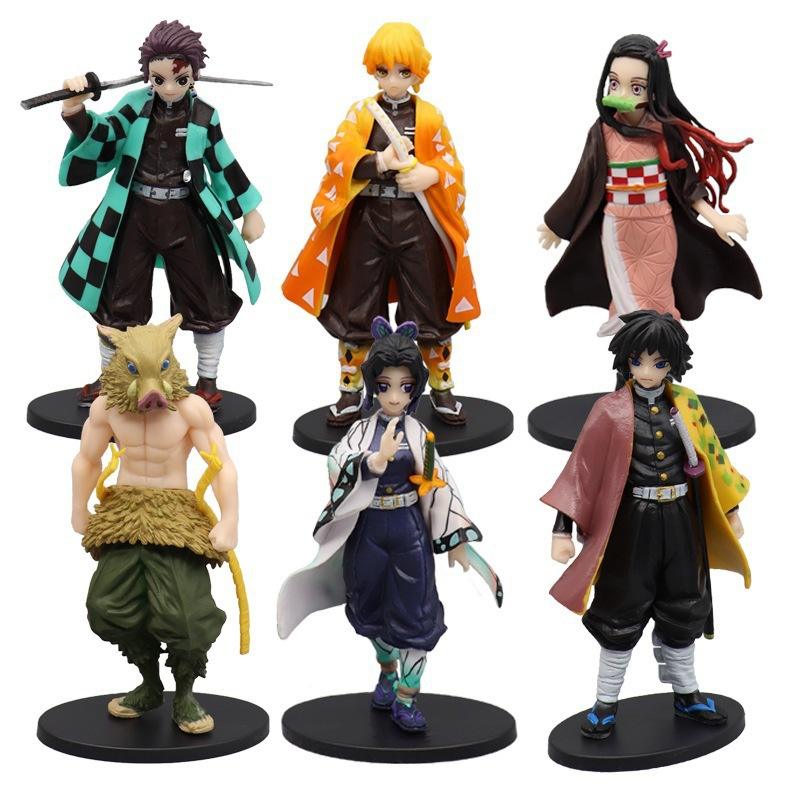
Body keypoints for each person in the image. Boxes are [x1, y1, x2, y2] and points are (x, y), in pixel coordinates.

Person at [277, 317, 499, 733]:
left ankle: (407, 696)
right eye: (384, 385)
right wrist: (373, 461)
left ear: (416, 388)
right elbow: (336, 464)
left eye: (405, 386)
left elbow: (438, 481)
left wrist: (455, 537)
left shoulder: (420, 434)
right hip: (368, 530)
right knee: (369, 607)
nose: (394, 396)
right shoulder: (359, 432)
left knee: (416, 615)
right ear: (372, 386)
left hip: (409, 531)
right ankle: (386, 671)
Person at [542, 311, 750, 738]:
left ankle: (687, 694)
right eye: (638, 361)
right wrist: (562, 529)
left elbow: (713, 456)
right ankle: (605, 702)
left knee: (684, 606)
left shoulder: (687, 404)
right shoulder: (609, 410)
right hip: (631, 526)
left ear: (674, 363)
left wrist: (730, 508)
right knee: (619, 611)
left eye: (659, 362)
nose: (648, 371)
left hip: (680, 522)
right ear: (625, 361)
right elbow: (581, 471)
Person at [59, 20, 264, 408]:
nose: (169, 88)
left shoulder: (204, 115)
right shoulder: (134, 107)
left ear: (194, 75)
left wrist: (249, 210)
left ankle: (207, 380)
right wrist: (76, 109)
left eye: (180, 79)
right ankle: (111, 376)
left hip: (187, 215)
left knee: (207, 297)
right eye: (159, 79)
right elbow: (105, 136)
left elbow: (223, 164)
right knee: (117, 298)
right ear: (147, 75)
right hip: (133, 214)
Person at [282, 22, 478, 426]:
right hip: (367, 221)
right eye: (383, 71)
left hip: (416, 222)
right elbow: (338, 155)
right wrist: (378, 161)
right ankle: (350, 391)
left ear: (417, 73)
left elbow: (451, 165)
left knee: (430, 305)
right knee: (355, 306)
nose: (392, 80)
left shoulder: (430, 117)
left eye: (403, 72)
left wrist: (430, 175)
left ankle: (441, 387)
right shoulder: (361, 113)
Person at [72, 314, 239, 734]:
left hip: (173, 517)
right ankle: (149, 682)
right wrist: (78, 507)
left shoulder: (191, 409)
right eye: (136, 370)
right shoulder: (108, 408)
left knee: (187, 617)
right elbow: (87, 459)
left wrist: (230, 519)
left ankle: (185, 692)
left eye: (159, 368)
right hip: (124, 516)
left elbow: (221, 464)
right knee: (106, 608)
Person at [538, 34, 761, 336]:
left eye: (637, 87)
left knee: (658, 294)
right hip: (617, 227)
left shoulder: (664, 132)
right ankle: (630, 356)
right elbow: (582, 180)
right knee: (625, 299)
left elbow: (687, 184)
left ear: (654, 89)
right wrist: (556, 223)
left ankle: (663, 353)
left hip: (658, 225)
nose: (622, 94)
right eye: (614, 83)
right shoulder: (602, 132)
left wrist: (716, 218)